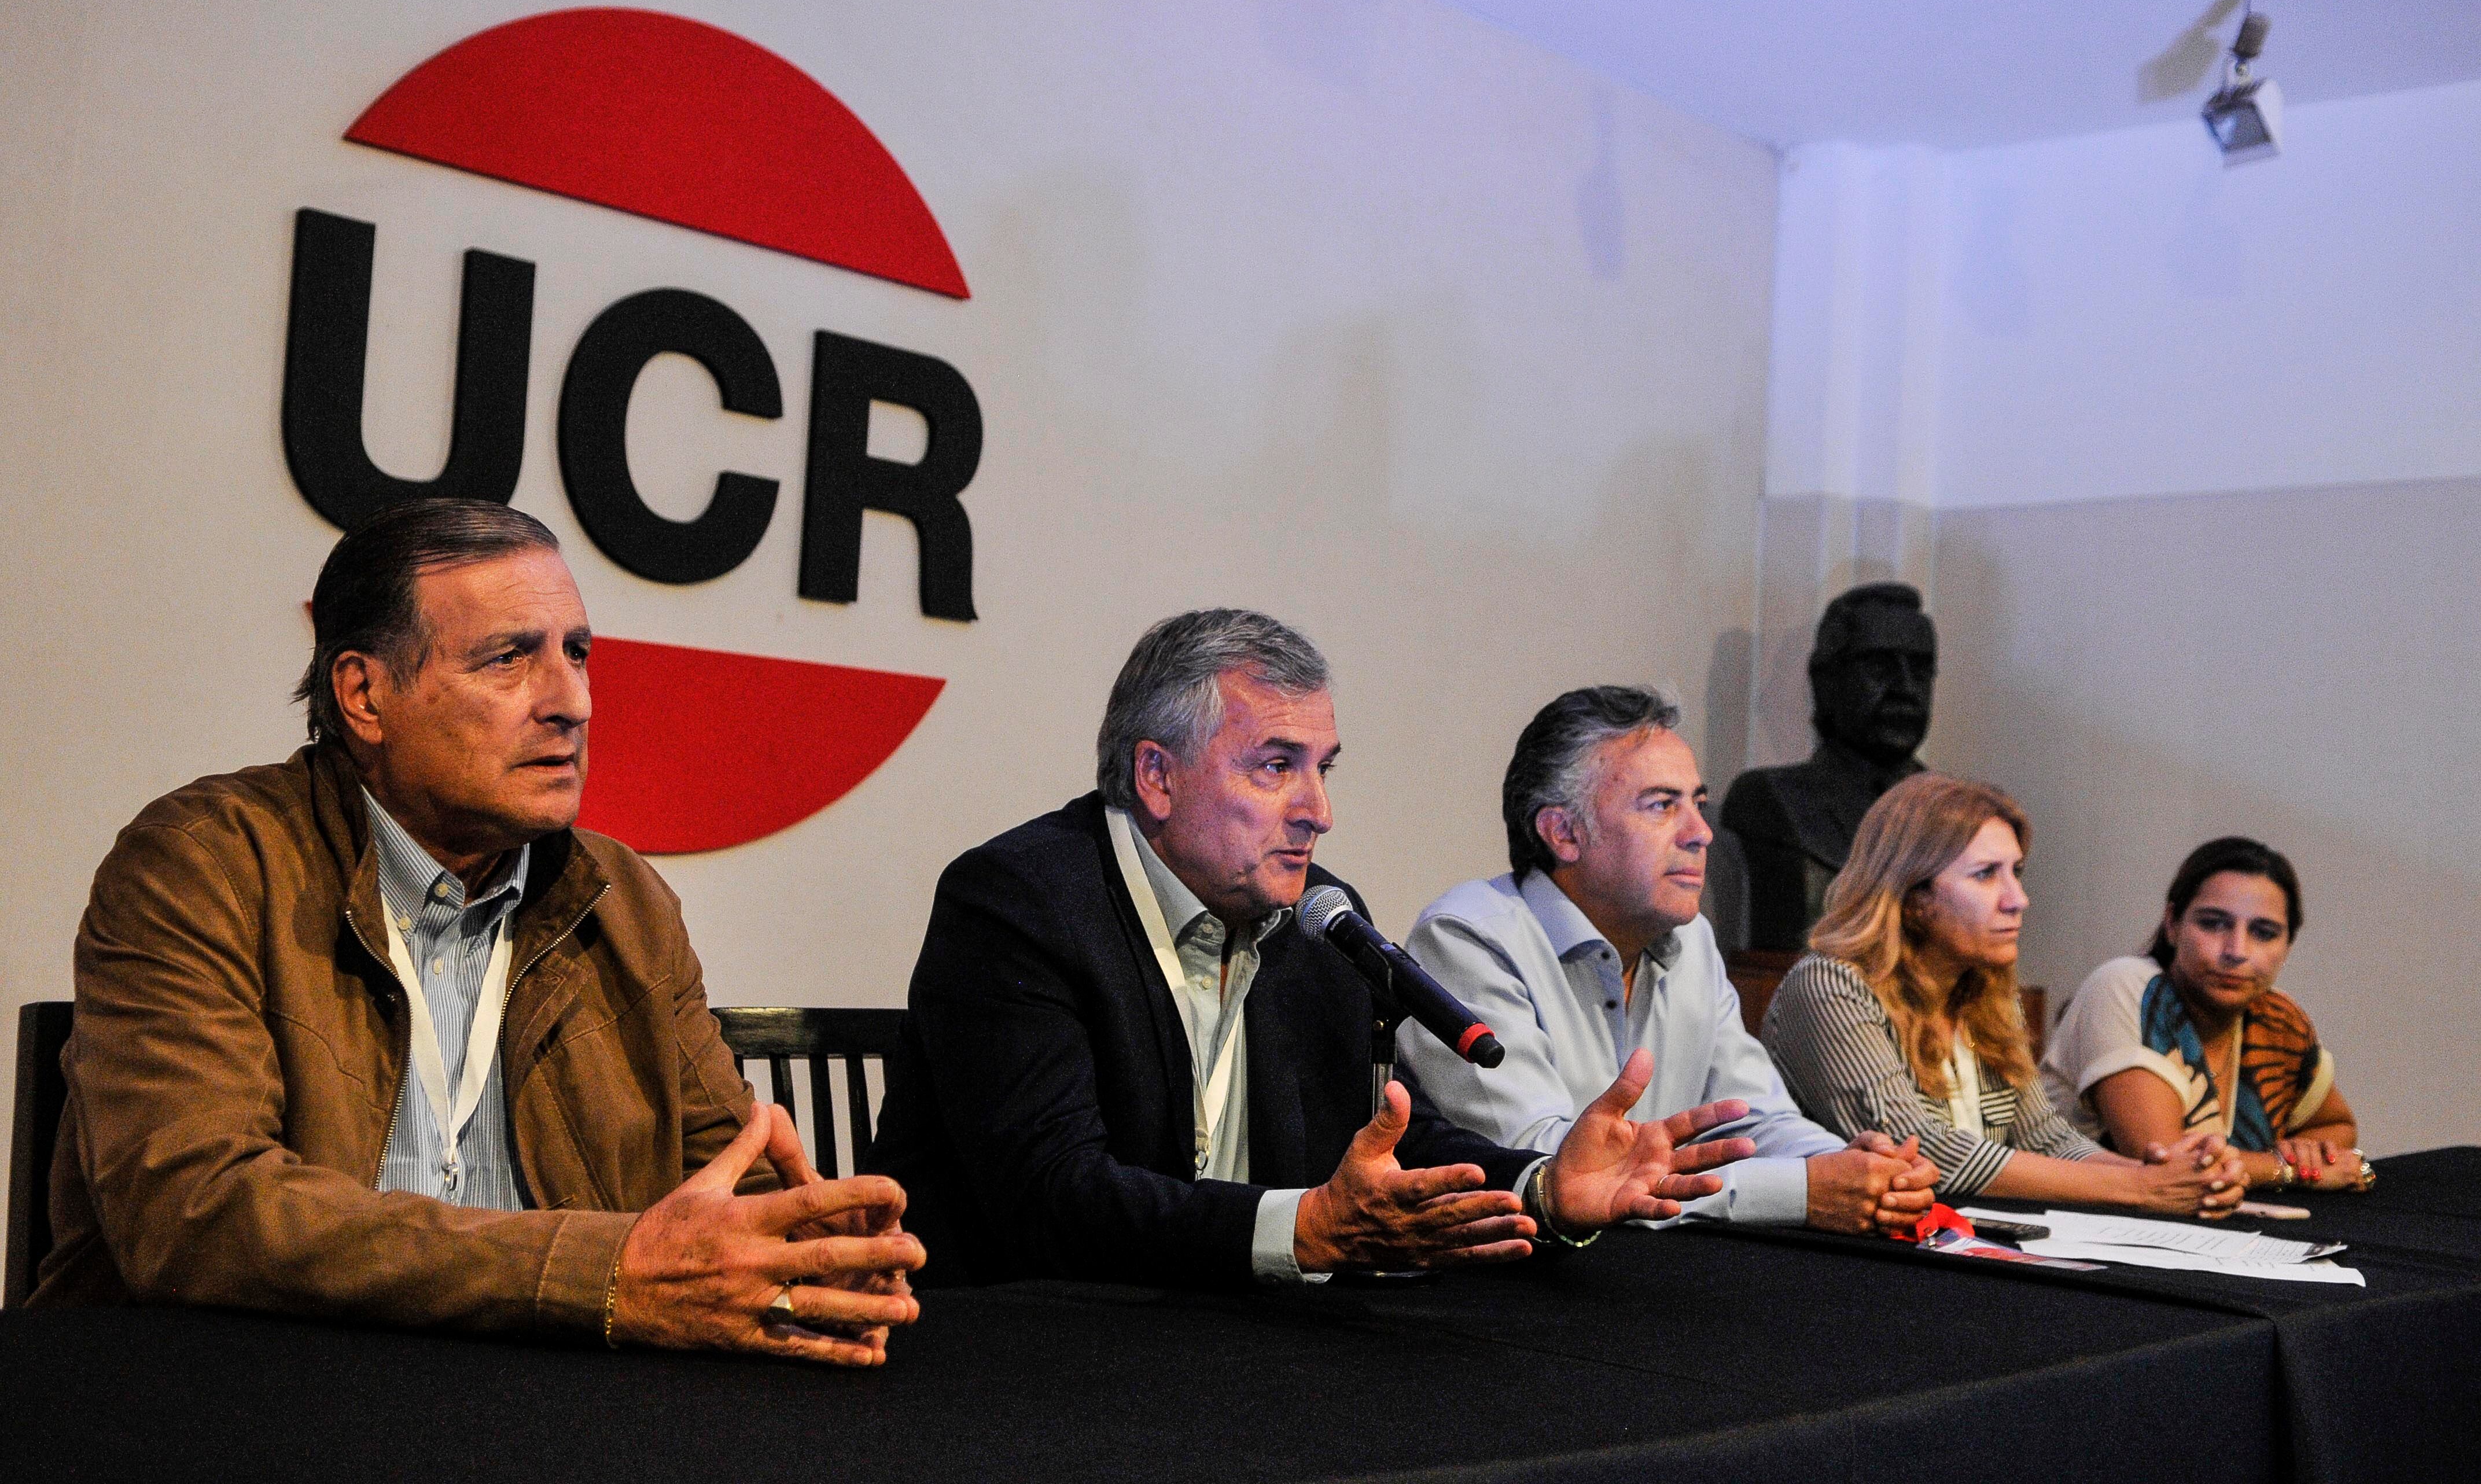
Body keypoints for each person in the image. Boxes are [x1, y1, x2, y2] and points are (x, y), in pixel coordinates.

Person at [31, 499, 922, 1363]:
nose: (571, 701)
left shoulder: (625, 900)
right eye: (508, 659)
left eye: (577, 654)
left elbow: (721, 1186)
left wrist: (807, 1252)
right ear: (365, 695)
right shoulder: (205, 864)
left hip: (540, 1402)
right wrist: (599, 1274)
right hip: (240, 1391)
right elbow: (195, 1214)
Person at [867, 610, 1756, 1287]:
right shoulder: (1019, 903)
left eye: (1322, 769)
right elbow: (1050, 1199)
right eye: (1275, 767)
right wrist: (1300, 1231)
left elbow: (1389, 1139)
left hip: (1233, 1345)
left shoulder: (1319, 918)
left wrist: (1542, 1189)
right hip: (1024, 1352)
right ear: (1156, 777)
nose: (1318, 812)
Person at [1401, 686, 1941, 1235]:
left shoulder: (1692, 940)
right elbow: (1545, 1171)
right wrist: (1802, 1190)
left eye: (1698, 805)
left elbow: (1755, 1117)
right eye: (1663, 805)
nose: (1701, 834)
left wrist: (1859, 1170)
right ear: (1564, 833)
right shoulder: (1467, 939)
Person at [1762, 774, 2247, 1215]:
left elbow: (2044, 1137)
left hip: (1961, 1240)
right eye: (1986, 874)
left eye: (2017, 871)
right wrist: (2140, 1188)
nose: (2018, 899)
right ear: (1912, 896)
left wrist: (2168, 1176)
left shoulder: (1983, 989)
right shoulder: (1831, 984)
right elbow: (1922, 1150)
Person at [2042, 837, 2366, 1193]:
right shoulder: (2126, 987)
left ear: (2288, 946)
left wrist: (2305, 1153)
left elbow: (2338, 1130)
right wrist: (2288, 1170)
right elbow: (2171, 1165)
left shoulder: (2277, 1019)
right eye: (2213, 924)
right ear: (2172, 924)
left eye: (2264, 933)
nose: (2236, 951)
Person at [1721, 583, 1938, 951]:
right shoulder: (1768, 801)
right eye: (1879, 667)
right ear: (1826, 682)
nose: (1905, 688)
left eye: (1919, 671)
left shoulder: (1957, 815)